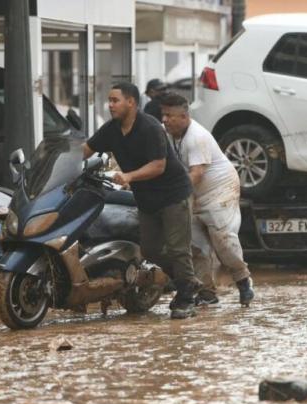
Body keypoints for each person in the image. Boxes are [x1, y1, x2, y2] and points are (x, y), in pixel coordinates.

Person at [82, 82, 199, 320]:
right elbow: (86, 149)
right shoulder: (112, 129)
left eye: (115, 100)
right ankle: (187, 281)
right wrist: (61, 163)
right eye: (110, 100)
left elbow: (159, 165)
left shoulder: (150, 127)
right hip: (146, 199)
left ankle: (186, 297)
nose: (110, 105)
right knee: (150, 251)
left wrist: (129, 176)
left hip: (173, 195)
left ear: (131, 103)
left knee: (178, 249)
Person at [160, 93, 255, 307]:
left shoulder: (197, 137)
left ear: (184, 116)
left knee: (223, 240)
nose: (165, 120)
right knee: (196, 246)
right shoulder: (167, 133)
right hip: (192, 193)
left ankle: (243, 281)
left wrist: (173, 195)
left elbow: (197, 173)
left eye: (170, 116)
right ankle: (206, 293)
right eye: (163, 114)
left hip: (219, 190)